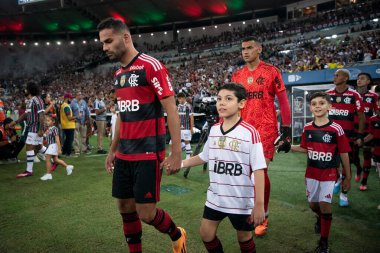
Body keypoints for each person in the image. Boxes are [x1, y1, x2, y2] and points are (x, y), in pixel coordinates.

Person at [99, 17, 186, 253]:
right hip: (125, 154)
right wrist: (112, 149)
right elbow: (121, 115)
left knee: (146, 213)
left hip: (147, 153)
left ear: (125, 37)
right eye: (102, 43)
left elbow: (171, 109)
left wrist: (176, 152)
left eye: (108, 41)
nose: (104, 47)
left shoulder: (151, 66)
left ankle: (177, 235)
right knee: (125, 208)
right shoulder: (118, 74)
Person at [181, 83, 266, 253]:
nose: (222, 103)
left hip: (240, 200)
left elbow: (258, 169)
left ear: (241, 104)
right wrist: (181, 163)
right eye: (219, 99)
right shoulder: (213, 130)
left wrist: (259, 204)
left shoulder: (250, 132)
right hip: (216, 197)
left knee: (244, 238)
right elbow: (204, 156)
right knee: (206, 234)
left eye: (228, 99)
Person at [231, 37, 291, 236]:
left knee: (260, 171)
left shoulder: (271, 71)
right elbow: (232, 103)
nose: (245, 52)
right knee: (245, 173)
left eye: (249, 48)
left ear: (259, 49)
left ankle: (263, 215)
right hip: (243, 129)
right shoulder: (237, 75)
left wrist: (287, 130)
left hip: (266, 129)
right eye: (243, 49)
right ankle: (249, 209)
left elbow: (283, 101)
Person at [291, 92, 351, 253]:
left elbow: (344, 153)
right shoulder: (307, 127)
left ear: (329, 107)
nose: (317, 106)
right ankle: (319, 218)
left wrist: (347, 176)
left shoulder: (336, 129)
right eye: (314, 103)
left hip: (329, 174)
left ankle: (324, 243)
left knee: (325, 206)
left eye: (321, 103)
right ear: (310, 108)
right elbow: (305, 148)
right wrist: (289, 147)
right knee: (313, 205)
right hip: (311, 174)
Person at [326, 69, 365, 206]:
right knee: (331, 164)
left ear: (346, 78)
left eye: (338, 75)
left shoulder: (354, 95)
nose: (335, 77)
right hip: (330, 137)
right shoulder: (328, 94)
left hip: (347, 138)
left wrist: (360, 135)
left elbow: (361, 117)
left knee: (346, 166)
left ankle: (344, 194)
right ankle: (336, 180)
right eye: (335, 75)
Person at [12, 82, 47, 178]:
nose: (25, 90)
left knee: (29, 147)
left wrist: (40, 129)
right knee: (39, 147)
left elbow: (42, 115)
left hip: (35, 127)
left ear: (31, 89)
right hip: (32, 127)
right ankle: (55, 159)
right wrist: (15, 122)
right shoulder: (30, 101)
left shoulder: (37, 100)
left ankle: (29, 170)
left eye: (27, 88)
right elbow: (26, 114)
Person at [353, 73, 378, 190]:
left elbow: (378, 112)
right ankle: (358, 169)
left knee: (367, 155)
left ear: (368, 81)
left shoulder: (373, 96)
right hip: (353, 130)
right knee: (353, 156)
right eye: (358, 78)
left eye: (362, 78)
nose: (359, 80)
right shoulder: (351, 94)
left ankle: (364, 181)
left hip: (368, 131)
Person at [40, 114, 74, 181]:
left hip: (53, 145)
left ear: (53, 121)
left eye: (48, 120)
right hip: (50, 145)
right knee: (55, 160)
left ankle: (48, 174)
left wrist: (59, 149)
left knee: (47, 159)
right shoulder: (49, 129)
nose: (46, 122)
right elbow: (45, 136)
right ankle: (68, 167)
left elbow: (57, 139)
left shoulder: (55, 129)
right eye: (46, 121)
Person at [170, 92, 194, 159]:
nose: (178, 100)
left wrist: (192, 127)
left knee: (186, 141)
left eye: (179, 99)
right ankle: (189, 152)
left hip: (186, 127)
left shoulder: (189, 106)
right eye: (178, 99)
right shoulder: (179, 106)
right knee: (175, 141)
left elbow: (191, 117)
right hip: (179, 127)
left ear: (183, 98)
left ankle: (188, 157)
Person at [71, 91, 91, 155]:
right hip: (76, 121)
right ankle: (77, 150)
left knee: (84, 136)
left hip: (83, 121)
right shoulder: (73, 102)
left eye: (81, 94)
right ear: (76, 95)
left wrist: (87, 120)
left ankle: (83, 149)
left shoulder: (84, 102)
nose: (80, 96)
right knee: (75, 137)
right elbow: (70, 112)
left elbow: (86, 111)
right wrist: (73, 119)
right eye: (79, 95)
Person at [60, 93, 76, 157]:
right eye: (70, 98)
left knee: (67, 139)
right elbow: (69, 118)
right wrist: (77, 116)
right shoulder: (66, 106)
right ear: (67, 98)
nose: (71, 99)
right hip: (69, 125)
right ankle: (68, 153)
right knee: (70, 140)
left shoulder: (64, 105)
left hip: (65, 125)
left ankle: (64, 152)